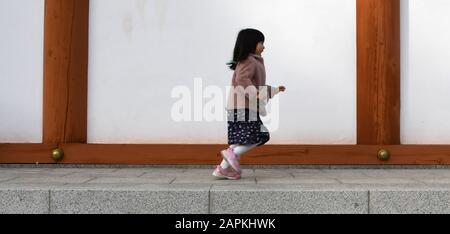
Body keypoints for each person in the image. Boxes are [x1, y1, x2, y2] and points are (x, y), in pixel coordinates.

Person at [212, 28, 286, 180]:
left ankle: (223, 169)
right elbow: (243, 80)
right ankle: (231, 154)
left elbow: (255, 87)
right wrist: (255, 93)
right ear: (252, 43)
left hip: (238, 107)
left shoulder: (251, 61)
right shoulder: (249, 61)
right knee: (260, 135)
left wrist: (274, 90)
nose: (264, 47)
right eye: (261, 43)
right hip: (243, 107)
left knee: (240, 139)